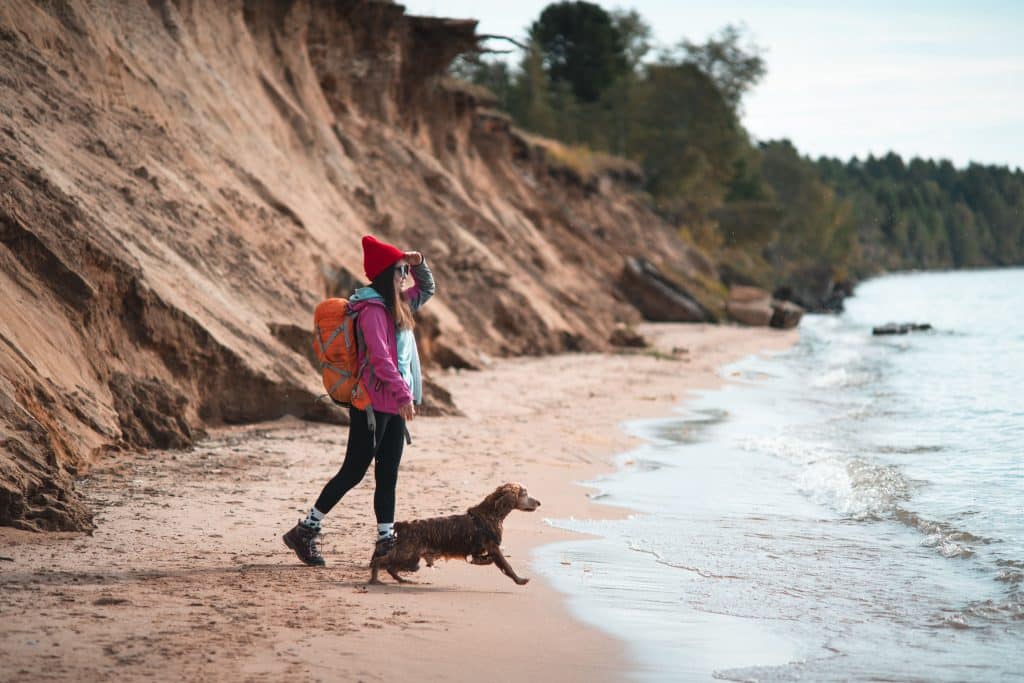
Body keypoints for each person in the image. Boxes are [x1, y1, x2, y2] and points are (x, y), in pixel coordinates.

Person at [283, 235, 435, 566]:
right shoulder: (371, 311)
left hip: (392, 405)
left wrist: (418, 261)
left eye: (405, 271)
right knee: (353, 471)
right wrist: (404, 395)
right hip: (369, 404)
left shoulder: (399, 304)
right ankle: (305, 530)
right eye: (399, 270)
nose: (404, 276)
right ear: (385, 274)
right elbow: (381, 360)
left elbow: (428, 290)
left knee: (389, 472)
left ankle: (385, 543)